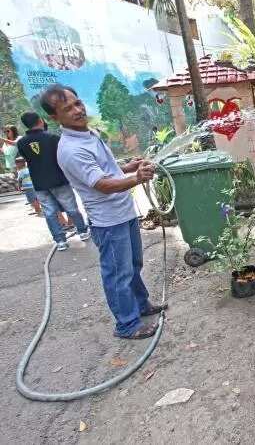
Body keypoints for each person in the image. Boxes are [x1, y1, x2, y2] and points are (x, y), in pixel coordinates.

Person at [41, 84, 166, 340]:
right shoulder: (71, 149)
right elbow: (102, 184)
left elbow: (105, 169)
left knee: (132, 265)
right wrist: (137, 178)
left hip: (124, 213)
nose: (78, 110)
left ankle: (141, 305)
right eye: (68, 108)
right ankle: (127, 325)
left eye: (77, 103)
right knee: (118, 274)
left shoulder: (89, 134)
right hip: (108, 222)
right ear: (54, 117)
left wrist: (128, 166)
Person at [17, 111, 90, 251]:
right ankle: (82, 231)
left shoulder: (21, 143)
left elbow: (27, 159)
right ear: (40, 120)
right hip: (58, 180)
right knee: (71, 208)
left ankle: (60, 241)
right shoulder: (53, 138)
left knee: (49, 213)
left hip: (39, 183)